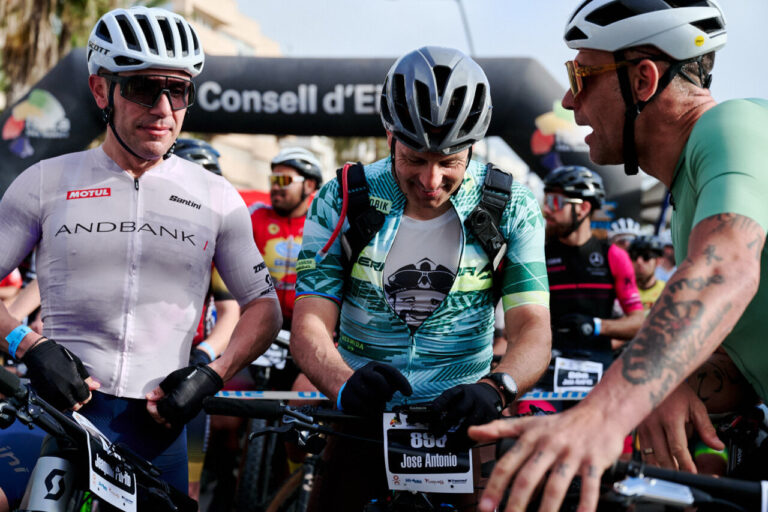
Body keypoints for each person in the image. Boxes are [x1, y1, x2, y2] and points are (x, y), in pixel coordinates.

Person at [472, 1, 768, 511]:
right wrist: (669, 379)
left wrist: (605, 414)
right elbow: (749, 362)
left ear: (643, 80)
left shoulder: (732, 125)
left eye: (581, 76)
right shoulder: (686, 193)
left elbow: (724, 267)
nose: (568, 99)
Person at [0, 6, 281, 503]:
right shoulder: (43, 182)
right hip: (65, 420)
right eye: (144, 88)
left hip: (162, 428)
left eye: (179, 90)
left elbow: (264, 307)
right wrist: (29, 346)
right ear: (100, 90)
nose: (163, 108)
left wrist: (210, 374)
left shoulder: (216, 195)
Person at [290, 46, 551, 510]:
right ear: (390, 136)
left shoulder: (513, 205)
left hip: (462, 416)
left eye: (449, 162)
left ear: (473, 145)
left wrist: (497, 388)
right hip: (361, 411)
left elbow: (533, 327)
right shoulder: (342, 197)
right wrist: (342, 383)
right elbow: (309, 320)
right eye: (415, 158)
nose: (431, 180)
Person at [173, 137, 242, 500]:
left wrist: (204, 355)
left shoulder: (216, 239)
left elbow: (230, 310)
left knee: (188, 486)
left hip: (187, 368)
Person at [543, 166, 644, 361]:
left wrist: (596, 326)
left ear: (583, 208)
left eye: (555, 202)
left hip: (597, 364)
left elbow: (637, 322)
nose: (546, 210)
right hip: (549, 362)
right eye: (546, 200)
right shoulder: (540, 256)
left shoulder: (614, 256)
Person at [251, 146, 323, 329]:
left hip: (307, 326)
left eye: (283, 180)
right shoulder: (254, 216)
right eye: (273, 180)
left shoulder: (323, 225)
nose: (275, 187)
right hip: (257, 324)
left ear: (309, 185)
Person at [628, 235, 666, 311]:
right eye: (634, 256)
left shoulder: (667, 291)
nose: (639, 261)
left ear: (658, 261)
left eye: (646, 256)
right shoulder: (621, 289)